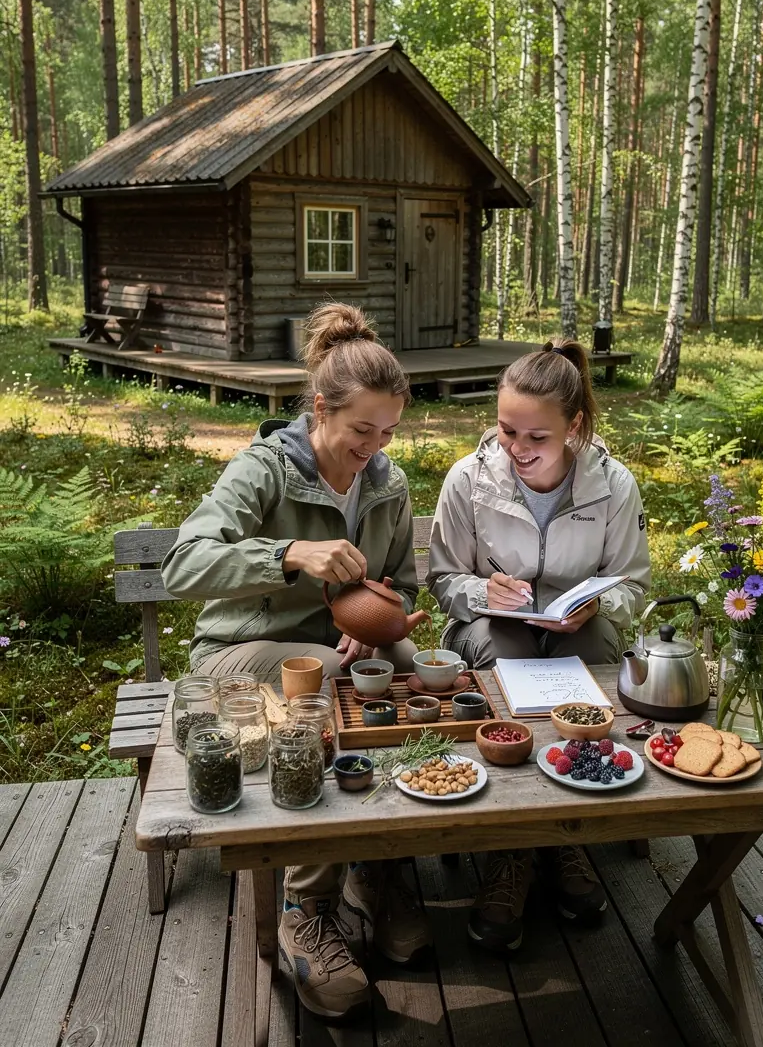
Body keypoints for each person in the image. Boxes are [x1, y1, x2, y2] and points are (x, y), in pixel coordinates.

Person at [162, 302, 430, 1020]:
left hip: (329, 651)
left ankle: (377, 870)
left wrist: (380, 627)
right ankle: (305, 907)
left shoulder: (387, 485)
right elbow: (182, 565)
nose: (373, 448)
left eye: (389, 432)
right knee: (324, 675)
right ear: (320, 409)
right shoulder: (264, 472)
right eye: (359, 431)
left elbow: (399, 581)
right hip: (237, 655)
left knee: (405, 668)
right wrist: (286, 554)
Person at [428, 339, 650, 951]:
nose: (518, 450)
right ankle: (514, 848)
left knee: (600, 650)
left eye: (537, 438)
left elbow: (634, 584)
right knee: (506, 653)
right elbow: (443, 581)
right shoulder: (469, 480)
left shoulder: (613, 485)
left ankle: (570, 825)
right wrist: (483, 591)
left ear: (573, 426)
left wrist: (596, 604)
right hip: (494, 628)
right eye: (506, 432)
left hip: (578, 630)